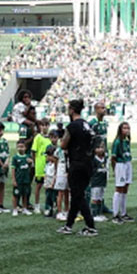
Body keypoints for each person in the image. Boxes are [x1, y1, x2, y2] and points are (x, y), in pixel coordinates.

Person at [57, 98, 98, 236]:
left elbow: (63, 145)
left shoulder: (72, 126)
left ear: (72, 110)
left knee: (78, 195)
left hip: (77, 163)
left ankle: (90, 226)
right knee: (76, 195)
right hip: (88, 163)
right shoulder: (87, 125)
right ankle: (68, 225)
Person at [109, 121, 133, 223]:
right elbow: (113, 158)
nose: (126, 130)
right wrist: (115, 170)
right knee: (119, 188)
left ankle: (123, 213)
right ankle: (115, 214)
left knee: (125, 188)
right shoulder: (117, 142)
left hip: (127, 163)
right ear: (120, 129)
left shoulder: (126, 141)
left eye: (128, 128)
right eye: (124, 128)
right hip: (120, 165)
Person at [12, 139, 34, 215]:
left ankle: (25, 208)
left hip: (26, 179)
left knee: (25, 194)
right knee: (16, 194)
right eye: (18, 147)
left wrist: (31, 163)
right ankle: (15, 209)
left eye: (22, 147)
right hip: (18, 179)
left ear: (25, 148)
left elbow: (30, 168)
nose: (20, 148)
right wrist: (14, 180)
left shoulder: (28, 157)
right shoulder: (15, 158)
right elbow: (13, 169)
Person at [90, 142, 108, 219]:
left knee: (100, 197)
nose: (101, 150)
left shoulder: (105, 159)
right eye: (98, 148)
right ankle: (95, 214)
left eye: (102, 147)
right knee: (95, 198)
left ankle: (100, 213)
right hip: (96, 182)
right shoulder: (93, 159)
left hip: (102, 181)